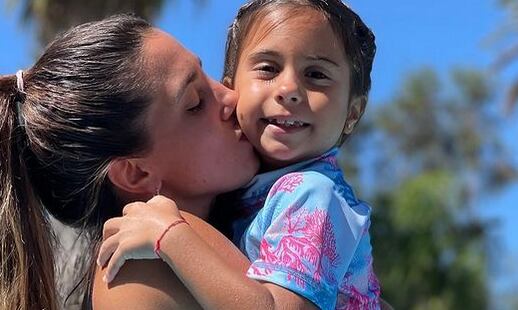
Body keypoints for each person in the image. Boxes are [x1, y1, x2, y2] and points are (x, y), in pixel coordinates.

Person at [97, 0, 381, 309]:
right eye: (268, 69)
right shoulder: (253, 193)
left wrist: (172, 238)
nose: (289, 88)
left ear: (353, 113)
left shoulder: (312, 193)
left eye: (316, 74)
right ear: (236, 89)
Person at [0, 14, 259, 310]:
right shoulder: (137, 272)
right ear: (135, 173)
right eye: (195, 103)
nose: (231, 97)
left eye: (207, 75)